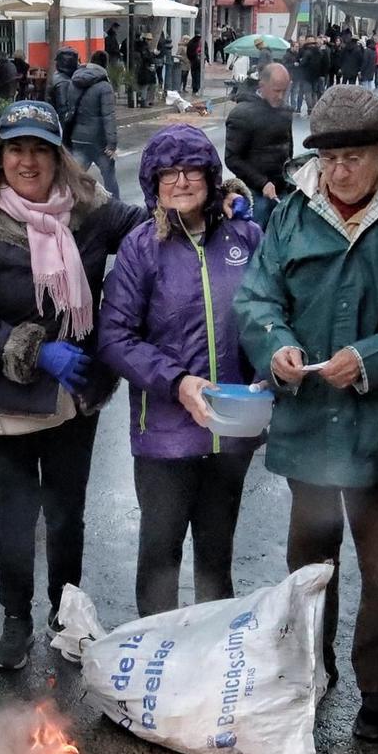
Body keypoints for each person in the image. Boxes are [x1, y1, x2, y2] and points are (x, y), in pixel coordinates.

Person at [233, 84, 378, 744]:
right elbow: (257, 299)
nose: (340, 171)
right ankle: (310, 673)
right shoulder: (293, 215)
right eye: (330, 159)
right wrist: (275, 344)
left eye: (355, 157)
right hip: (309, 428)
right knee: (308, 565)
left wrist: (366, 358)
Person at [0, 101, 147, 672]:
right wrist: (33, 349)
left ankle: (66, 611)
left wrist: (220, 190)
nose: (27, 161)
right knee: (15, 511)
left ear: (59, 156)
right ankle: (15, 618)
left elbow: (155, 221)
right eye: (15, 148)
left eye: (39, 149)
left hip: (74, 395)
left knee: (65, 512)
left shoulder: (92, 212)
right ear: (0, 156)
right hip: (2, 397)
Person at [97, 126, 264, 617]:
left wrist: (269, 376)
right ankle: (159, 660)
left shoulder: (247, 236)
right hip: (164, 435)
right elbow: (116, 337)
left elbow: (270, 314)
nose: (181, 180)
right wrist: (178, 381)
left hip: (231, 431)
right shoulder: (140, 247)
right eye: (168, 172)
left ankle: (210, 657)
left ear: (213, 178)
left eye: (192, 169)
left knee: (217, 559)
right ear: (153, 182)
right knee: (159, 558)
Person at [225, 62, 294, 223]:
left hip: (281, 189)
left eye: (285, 91)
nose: (281, 96)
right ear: (262, 86)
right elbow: (232, 159)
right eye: (277, 91)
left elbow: (288, 148)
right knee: (256, 239)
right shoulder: (242, 114)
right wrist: (262, 183)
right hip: (255, 193)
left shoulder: (285, 111)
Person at [65, 50, 121, 197]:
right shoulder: (104, 86)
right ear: (105, 64)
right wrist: (112, 143)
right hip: (99, 141)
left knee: (75, 175)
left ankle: (69, 202)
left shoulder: (74, 81)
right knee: (109, 176)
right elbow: (108, 116)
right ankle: (116, 206)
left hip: (78, 136)